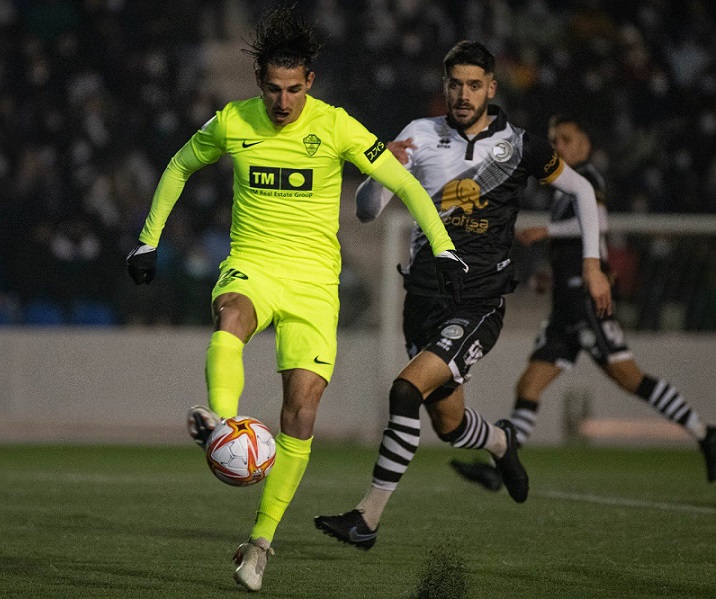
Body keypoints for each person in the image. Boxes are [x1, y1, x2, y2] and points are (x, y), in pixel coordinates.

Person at [124, 5, 465, 592]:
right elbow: (180, 165)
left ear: (310, 82)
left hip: (313, 284)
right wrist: (147, 241)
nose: (283, 102)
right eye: (274, 90)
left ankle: (259, 544)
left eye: (294, 89)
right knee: (231, 316)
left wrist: (444, 245)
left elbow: (404, 182)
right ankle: (223, 422)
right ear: (261, 84)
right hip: (253, 265)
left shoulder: (336, 126)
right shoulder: (233, 121)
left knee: (302, 411)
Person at [313, 40, 612, 550]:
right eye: (456, 84)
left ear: (491, 88)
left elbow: (582, 191)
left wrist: (592, 264)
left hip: (478, 302)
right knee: (449, 424)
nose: (464, 94)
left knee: (405, 390)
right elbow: (368, 212)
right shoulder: (418, 135)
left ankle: (367, 519)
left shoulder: (520, 145)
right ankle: (501, 441)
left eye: (475, 85)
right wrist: (378, 170)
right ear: (445, 85)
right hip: (423, 298)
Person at [450, 114, 716, 490]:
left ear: (586, 145)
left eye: (567, 139)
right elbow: (577, 244)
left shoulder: (588, 179)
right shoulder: (563, 189)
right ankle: (502, 468)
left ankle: (705, 434)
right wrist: (550, 274)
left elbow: (600, 223)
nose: (557, 145)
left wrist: (547, 230)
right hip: (565, 305)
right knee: (528, 387)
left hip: (586, 303)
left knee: (630, 379)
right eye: (554, 138)